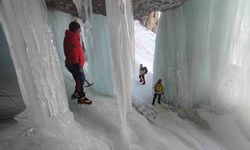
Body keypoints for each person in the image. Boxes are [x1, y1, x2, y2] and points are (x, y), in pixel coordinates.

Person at [63, 21, 92, 105]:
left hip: (72, 63)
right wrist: (77, 64)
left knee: (78, 79)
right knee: (80, 79)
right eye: (79, 30)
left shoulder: (72, 37)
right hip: (74, 63)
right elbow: (74, 52)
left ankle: (76, 94)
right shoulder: (72, 39)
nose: (80, 31)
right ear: (75, 30)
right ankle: (81, 97)